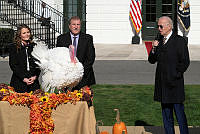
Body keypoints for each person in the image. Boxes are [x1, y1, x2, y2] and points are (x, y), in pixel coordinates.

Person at [148, 16, 190, 134]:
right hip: (163, 85)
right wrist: (154, 48)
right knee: (166, 116)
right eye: (158, 26)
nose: (159, 29)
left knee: (179, 114)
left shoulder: (179, 40)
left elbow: (185, 62)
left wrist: (175, 75)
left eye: (161, 26)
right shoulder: (159, 40)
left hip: (175, 84)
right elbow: (151, 60)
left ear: (169, 26)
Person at [56, 16, 96, 91]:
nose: (76, 27)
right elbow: (59, 58)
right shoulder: (61, 39)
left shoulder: (88, 38)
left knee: (84, 101)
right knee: (67, 101)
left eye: (78, 24)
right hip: (67, 77)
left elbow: (90, 58)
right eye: (74, 24)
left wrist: (79, 71)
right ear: (69, 26)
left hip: (84, 76)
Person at [9, 24, 40, 93]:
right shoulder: (14, 47)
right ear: (19, 35)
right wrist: (23, 78)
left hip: (33, 82)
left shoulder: (34, 46)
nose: (27, 35)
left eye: (28, 32)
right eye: (24, 33)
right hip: (19, 82)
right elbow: (13, 65)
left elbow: (39, 64)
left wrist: (35, 76)